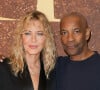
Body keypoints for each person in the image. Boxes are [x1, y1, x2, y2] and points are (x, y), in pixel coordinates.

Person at [0, 10, 56, 90]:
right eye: (27, 33)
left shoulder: (51, 71)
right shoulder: (4, 68)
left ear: (46, 38)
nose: (33, 40)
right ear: (21, 37)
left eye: (39, 33)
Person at [48, 12, 100, 90]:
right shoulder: (56, 67)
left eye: (76, 31)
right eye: (64, 33)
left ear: (86, 33)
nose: (70, 39)